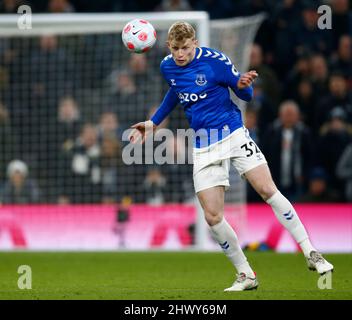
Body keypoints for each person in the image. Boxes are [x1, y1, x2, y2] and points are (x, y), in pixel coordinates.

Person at [130, 21, 333, 292]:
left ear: (195, 44)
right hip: (203, 146)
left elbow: (244, 93)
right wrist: (153, 123)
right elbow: (175, 92)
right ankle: (246, 274)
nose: (180, 54)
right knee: (213, 217)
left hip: (234, 134)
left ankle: (311, 252)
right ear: (169, 46)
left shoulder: (216, 62)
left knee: (267, 190)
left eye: (186, 49)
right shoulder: (167, 66)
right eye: (176, 49)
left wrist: (243, 85)